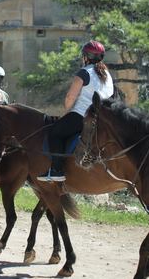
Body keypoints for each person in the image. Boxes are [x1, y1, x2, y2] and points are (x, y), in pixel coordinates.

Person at [38, 40, 114, 182]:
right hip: (101, 119)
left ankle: (56, 170)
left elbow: (70, 97)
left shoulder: (84, 72)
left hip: (82, 115)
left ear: (86, 56)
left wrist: (65, 113)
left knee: (55, 133)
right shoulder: (108, 75)